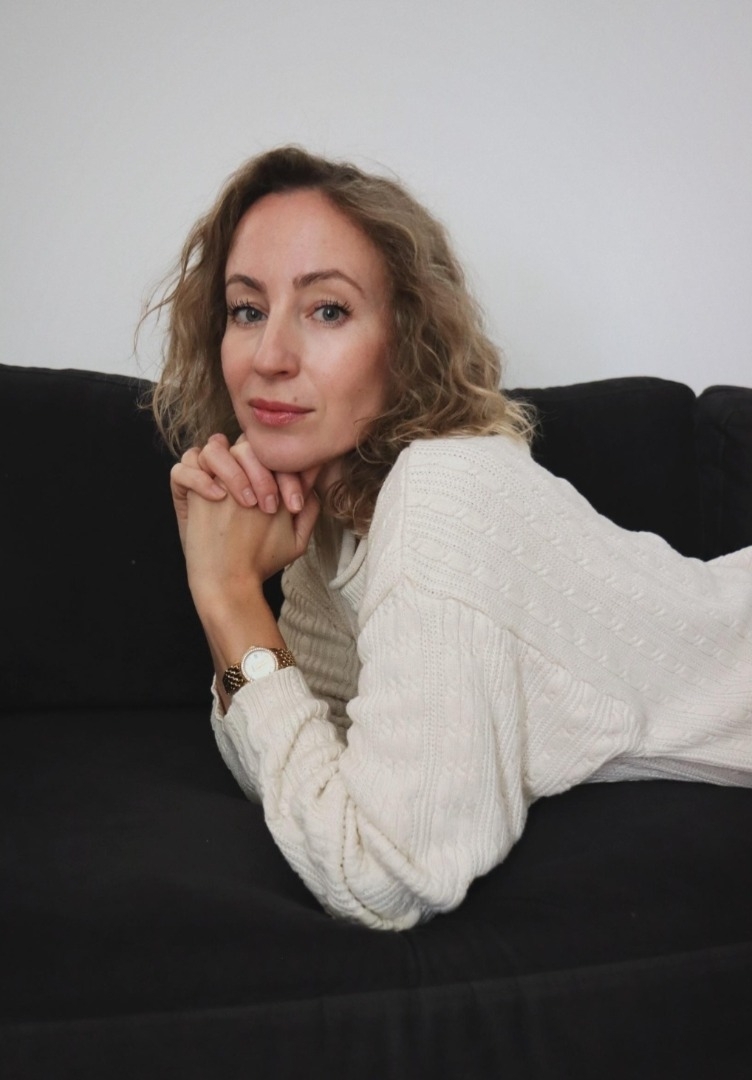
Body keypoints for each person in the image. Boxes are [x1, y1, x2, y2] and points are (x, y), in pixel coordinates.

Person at [151, 146, 752, 931]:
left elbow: (381, 878)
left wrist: (228, 595)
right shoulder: (335, 522)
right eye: (247, 310)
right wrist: (228, 589)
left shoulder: (445, 488)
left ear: (407, 339)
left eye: (327, 310)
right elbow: (289, 762)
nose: (270, 357)